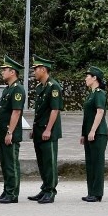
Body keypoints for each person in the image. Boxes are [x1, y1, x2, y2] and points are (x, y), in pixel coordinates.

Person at [28, 55, 63, 204]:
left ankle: (51, 191)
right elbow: (39, 111)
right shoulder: (40, 87)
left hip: (48, 131)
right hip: (39, 130)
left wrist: (48, 129)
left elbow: (55, 110)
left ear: (43, 69)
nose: (34, 72)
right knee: (42, 162)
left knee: (49, 161)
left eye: (35, 69)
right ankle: (45, 188)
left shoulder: (53, 86)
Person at [0, 56, 25, 204]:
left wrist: (10, 132)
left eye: (5, 70)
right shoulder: (8, 89)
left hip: (10, 133)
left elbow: (16, 112)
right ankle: (7, 191)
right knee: (5, 164)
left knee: (11, 164)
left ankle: (13, 194)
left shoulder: (18, 89)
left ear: (12, 72)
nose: (2, 73)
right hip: (3, 132)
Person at [80, 66, 108, 202]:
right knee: (90, 163)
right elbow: (87, 117)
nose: (86, 78)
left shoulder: (99, 93)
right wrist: (83, 133)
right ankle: (91, 191)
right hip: (89, 134)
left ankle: (97, 193)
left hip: (98, 133)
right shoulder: (91, 94)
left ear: (95, 78)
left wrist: (92, 131)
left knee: (97, 163)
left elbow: (100, 112)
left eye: (88, 76)